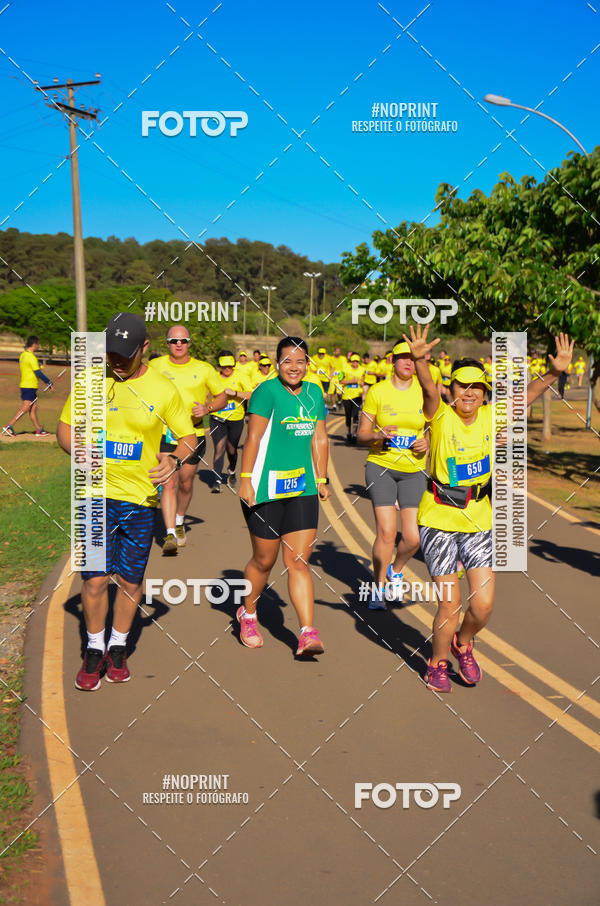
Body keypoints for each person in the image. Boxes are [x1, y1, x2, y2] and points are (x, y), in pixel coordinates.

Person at [405, 324, 574, 693]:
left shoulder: (492, 417)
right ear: (451, 390)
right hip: (438, 519)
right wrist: (420, 361)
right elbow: (428, 391)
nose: (468, 393)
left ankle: (463, 643)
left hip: (479, 517)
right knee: (449, 606)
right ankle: (436, 662)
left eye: (476, 387)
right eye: (461, 386)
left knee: (482, 606)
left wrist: (555, 371)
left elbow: (528, 395)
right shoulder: (441, 415)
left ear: (485, 393)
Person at [57, 312, 196, 691]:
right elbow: (65, 428)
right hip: (94, 496)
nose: (116, 362)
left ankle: (117, 647)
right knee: (95, 580)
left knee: (130, 582)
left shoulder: (164, 389)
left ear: (145, 349)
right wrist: (77, 448)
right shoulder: (90, 382)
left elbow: (188, 437)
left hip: (139, 501)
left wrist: (174, 459)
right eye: (111, 354)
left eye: (124, 355)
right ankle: (93, 647)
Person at [237, 337, 330, 656]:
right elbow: (253, 437)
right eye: (288, 361)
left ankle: (307, 633)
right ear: (277, 363)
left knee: (299, 561)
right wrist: (246, 480)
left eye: (300, 361)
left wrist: (322, 477)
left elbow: (320, 438)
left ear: (308, 363)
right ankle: (248, 613)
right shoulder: (267, 392)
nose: (294, 367)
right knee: (264, 560)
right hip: (264, 488)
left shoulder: (314, 392)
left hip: (302, 488)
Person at [358, 341, 428, 609]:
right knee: (387, 532)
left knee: (412, 537)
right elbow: (362, 434)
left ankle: (395, 570)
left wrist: (428, 443)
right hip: (381, 466)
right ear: (393, 362)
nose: (408, 362)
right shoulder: (378, 391)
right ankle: (378, 587)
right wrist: (378, 435)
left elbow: (433, 429)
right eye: (402, 358)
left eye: (412, 358)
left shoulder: (424, 393)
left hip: (413, 470)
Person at [149, 325, 228, 553]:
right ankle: (170, 534)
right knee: (168, 482)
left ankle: (180, 521)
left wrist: (207, 408)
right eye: (174, 341)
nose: (179, 344)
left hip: (192, 436)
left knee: (185, 484)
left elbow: (222, 396)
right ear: (167, 343)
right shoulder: (155, 366)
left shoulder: (203, 369)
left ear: (189, 343)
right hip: (164, 434)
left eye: (183, 340)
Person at [210, 351, 253, 492]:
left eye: (230, 366)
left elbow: (251, 394)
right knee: (219, 447)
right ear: (219, 366)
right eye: (224, 366)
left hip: (235, 419)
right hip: (217, 418)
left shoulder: (241, 376)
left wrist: (234, 393)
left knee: (231, 449)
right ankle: (217, 481)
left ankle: (232, 470)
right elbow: (204, 394)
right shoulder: (213, 377)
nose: (227, 369)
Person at [3, 335, 54, 436]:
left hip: (27, 385)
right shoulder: (31, 357)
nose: (38, 346)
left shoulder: (23, 355)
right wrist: (49, 382)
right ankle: (9, 426)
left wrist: (38, 365)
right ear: (34, 344)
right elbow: (37, 372)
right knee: (26, 408)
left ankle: (39, 430)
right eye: (37, 344)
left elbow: (29, 367)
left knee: (33, 408)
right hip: (29, 386)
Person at [340, 354, 365, 444]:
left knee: (355, 415)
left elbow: (362, 380)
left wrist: (362, 383)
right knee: (348, 415)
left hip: (357, 395)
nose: (355, 363)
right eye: (353, 361)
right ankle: (349, 433)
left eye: (356, 361)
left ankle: (354, 434)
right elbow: (340, 381)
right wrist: (351, 381)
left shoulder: (362, 369)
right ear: (351, 362)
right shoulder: (345, 369)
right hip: (347, 396)